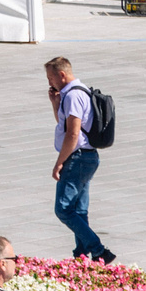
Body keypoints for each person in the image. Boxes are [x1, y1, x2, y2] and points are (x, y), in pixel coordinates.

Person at [45, 55, 114, 263]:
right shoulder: (75, 92)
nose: (49, 82)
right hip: (87, 157)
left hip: (78, 158)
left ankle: (99, 250)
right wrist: (56, 104)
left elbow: (73, 134)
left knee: (64, 209)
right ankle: (82, 255)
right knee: (79, 210)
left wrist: (59, 162)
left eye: (50, 78)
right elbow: (65, 124)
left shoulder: (74, 96)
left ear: (62, 75)